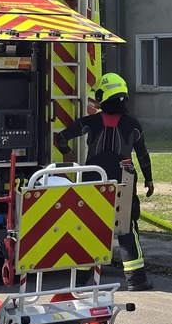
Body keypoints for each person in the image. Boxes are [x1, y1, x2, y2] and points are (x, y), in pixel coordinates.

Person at [54, 73, 156, 291]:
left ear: (103, 96)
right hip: (124, 183)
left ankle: (81, 283)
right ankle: (137, 281)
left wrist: (69, 156)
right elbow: (143, 155)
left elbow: (61, 137)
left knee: (89, 228)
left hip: (94, 182)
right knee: (127, 229)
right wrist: (149, 180)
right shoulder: (133, 125)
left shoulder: (88, 122)